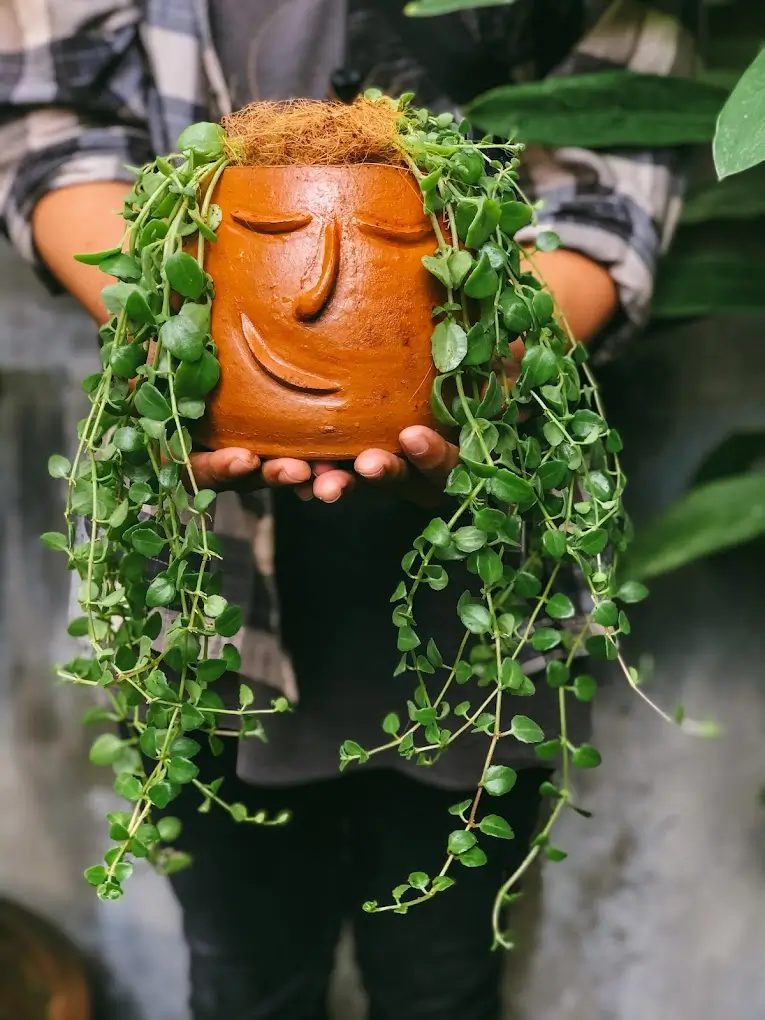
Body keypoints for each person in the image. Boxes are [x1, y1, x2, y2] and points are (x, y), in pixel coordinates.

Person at [0, 2, 697, 1018]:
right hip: (207, 608)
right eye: (287, 244)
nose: (318, 283)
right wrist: (164, 339)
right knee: (243, 973)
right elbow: (47, 118)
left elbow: (609, 181)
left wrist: (484, 377)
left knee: (445, 975)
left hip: (485, 608)